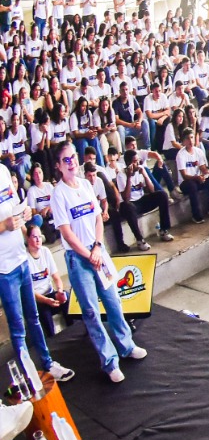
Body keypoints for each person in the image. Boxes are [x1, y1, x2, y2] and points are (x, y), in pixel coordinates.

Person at [48, 144, 143, 383]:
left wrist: (98, 247)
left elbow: (98, 219)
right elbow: (67, 233)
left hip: (98, 252)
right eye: (65, 160)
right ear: (58, 166)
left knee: (113, 301)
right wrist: (87, 254)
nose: (70, 162)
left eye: (72, 158)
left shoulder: (87, 185)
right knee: (91, 311)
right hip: (78, 258)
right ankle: (109, 362)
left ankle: (126, 346)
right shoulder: (58, 193)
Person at [0, 153, 68, 382]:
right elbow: (5, 222)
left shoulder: (3, 172)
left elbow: (12, 209)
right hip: (4, 269)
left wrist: (24, 215)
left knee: (34, 317)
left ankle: (48, 363)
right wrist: (4, 225)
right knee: (18, 327)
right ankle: (29, 376)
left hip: (21, 259)